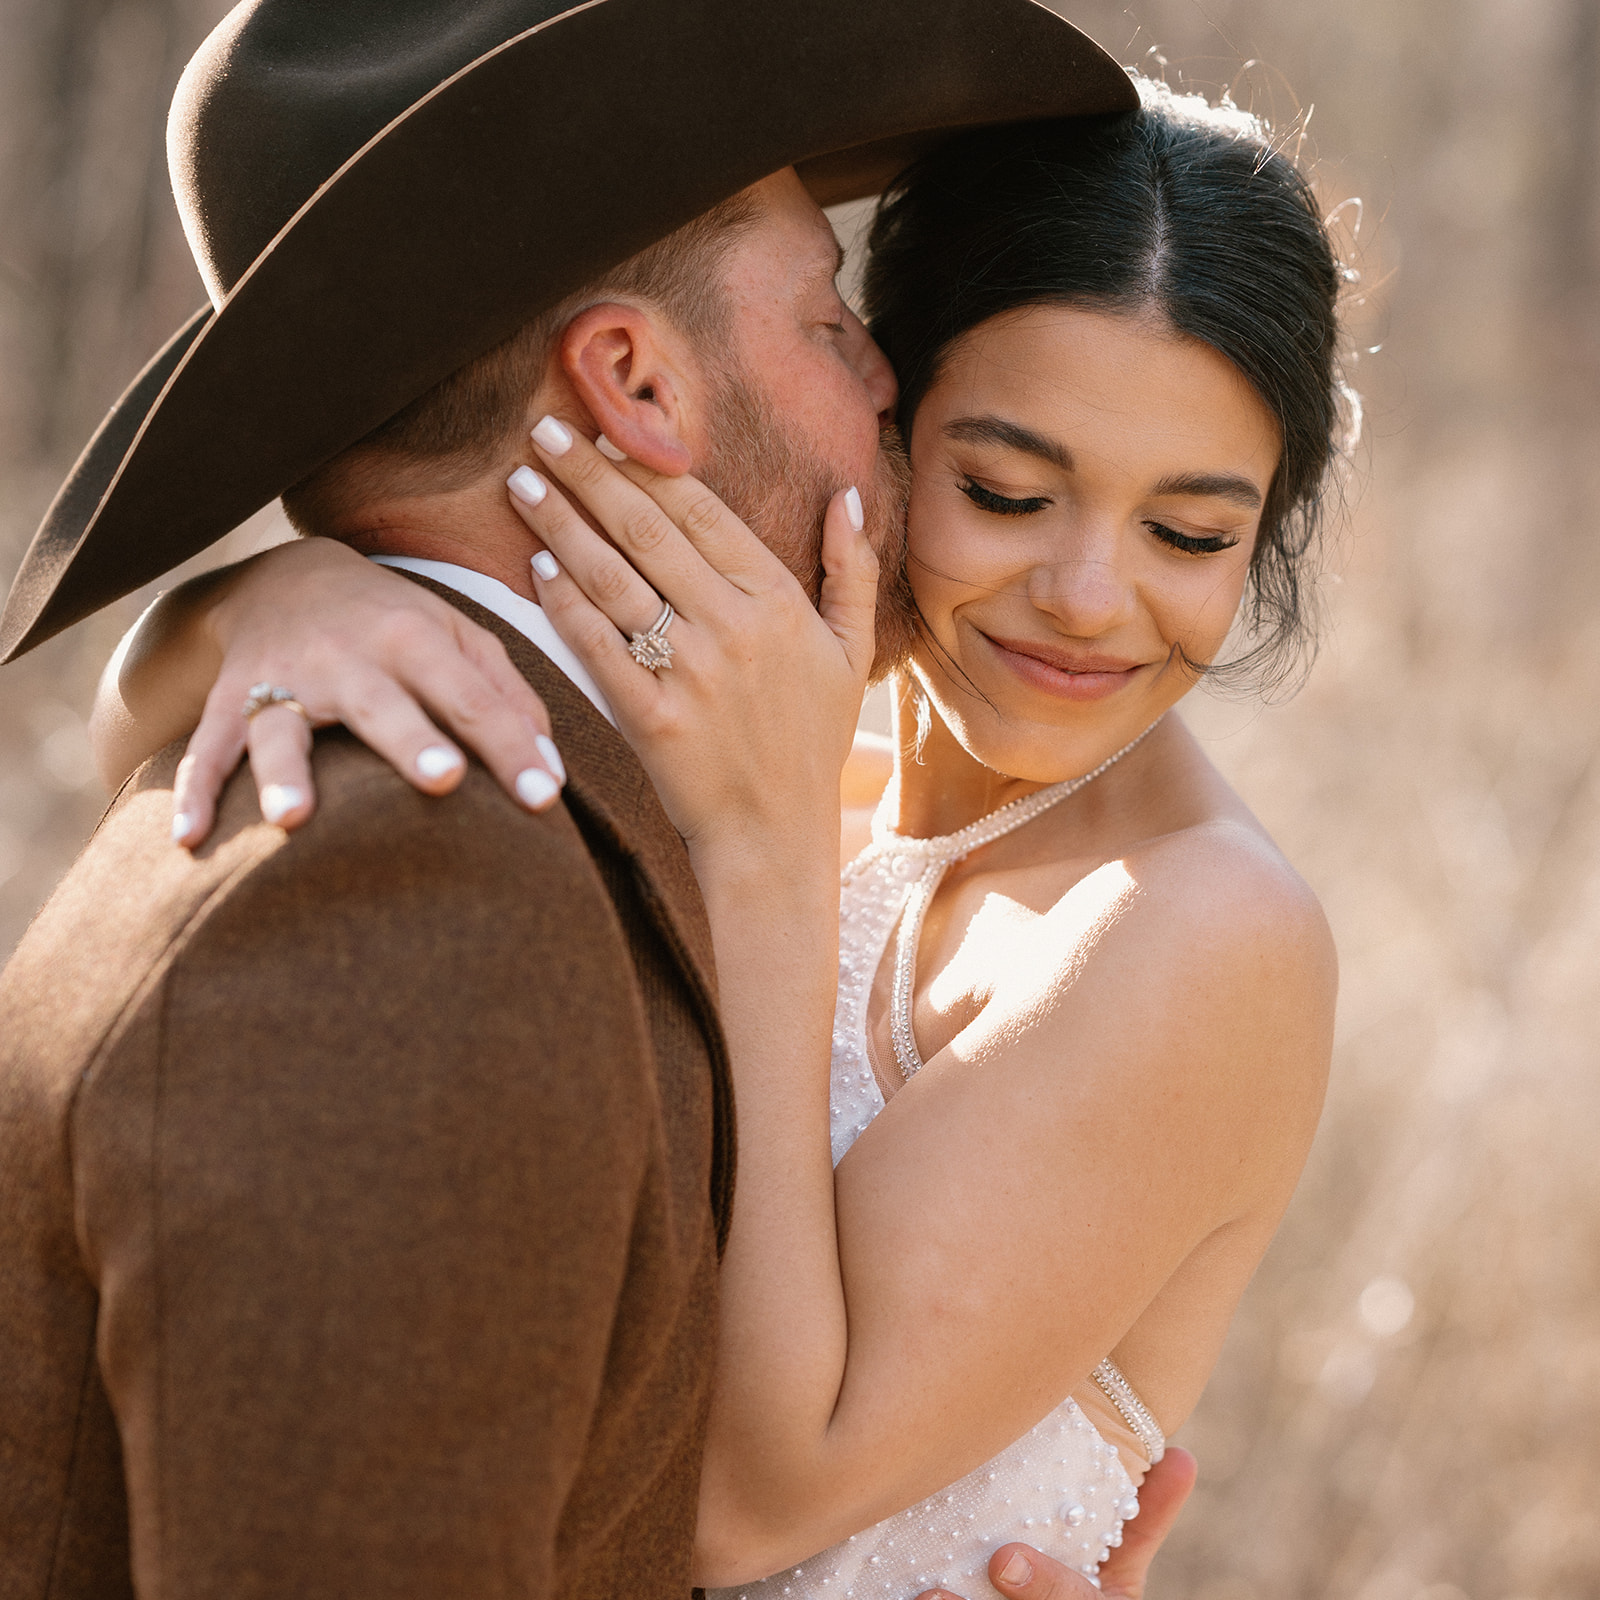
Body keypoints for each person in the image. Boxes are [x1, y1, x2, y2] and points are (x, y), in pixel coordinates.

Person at [88, 84, 1348, 1600]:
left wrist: (766, 874)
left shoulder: (1199, 933)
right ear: (884, 414)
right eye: (1006, 491)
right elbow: (140, 746)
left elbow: (745, 1510)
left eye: (1193, 534)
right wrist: (279, 602)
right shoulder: (782, 702)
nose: (1087, 593)